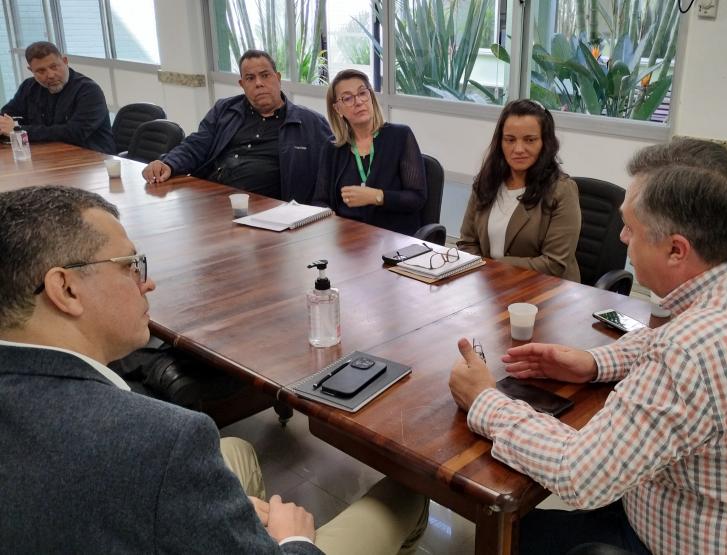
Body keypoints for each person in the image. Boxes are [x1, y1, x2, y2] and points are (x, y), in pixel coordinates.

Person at [449, 139, 727, 554]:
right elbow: (680, 339)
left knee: (501, 530)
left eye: (630, 228)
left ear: (676, 250)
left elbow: (580, 473)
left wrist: (485, 400)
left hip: (712, 538)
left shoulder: (695, 349)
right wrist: (594, 362)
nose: (620, 238)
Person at [0, 185, 428, 553]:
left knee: (237, 451)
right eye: (130, 266)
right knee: (407, 492)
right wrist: (293, 540)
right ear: (66, 288)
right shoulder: (161, 439)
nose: (146, 282)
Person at [142, 50, 331, 202]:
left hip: (270, 210)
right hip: (212, 199)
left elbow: (329, 175)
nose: (259, 83)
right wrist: (169, 162)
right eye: (250, 78)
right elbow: (197, 144)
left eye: (265, 75)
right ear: (242, 84)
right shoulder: (225, 110)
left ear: (278, 77)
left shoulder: (310, 123)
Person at [457, 99, 581, 281]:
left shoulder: (562, 190)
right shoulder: (487, 182)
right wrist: (487, 277)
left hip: (545, 290)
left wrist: (493, 268)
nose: (518, 149)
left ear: (545, 143)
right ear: (500, 142)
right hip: (489, 286)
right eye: (510, 140)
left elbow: (554, 264)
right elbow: (467, 242)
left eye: (530, 140)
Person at [312, 69, 427, 235]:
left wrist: (377, 197)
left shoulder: (400, 136)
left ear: (371, 97)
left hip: (392, 239)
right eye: (348, 98)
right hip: (347, 238)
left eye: (362, 93)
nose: (358, 102)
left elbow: (417, 198)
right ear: (338, 109)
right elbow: (320, 200)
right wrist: (330, 217)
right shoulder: (332, 148)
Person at [0, 41, 115, 154]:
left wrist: (18, 129)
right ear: (31, 70)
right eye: (41, 71)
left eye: (54, 67)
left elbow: (74, 133)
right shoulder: (29, 87)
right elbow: (6, 115)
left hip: (92, 159)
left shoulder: (89, 91)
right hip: (48, 156)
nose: (50, 75)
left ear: (65, 61)